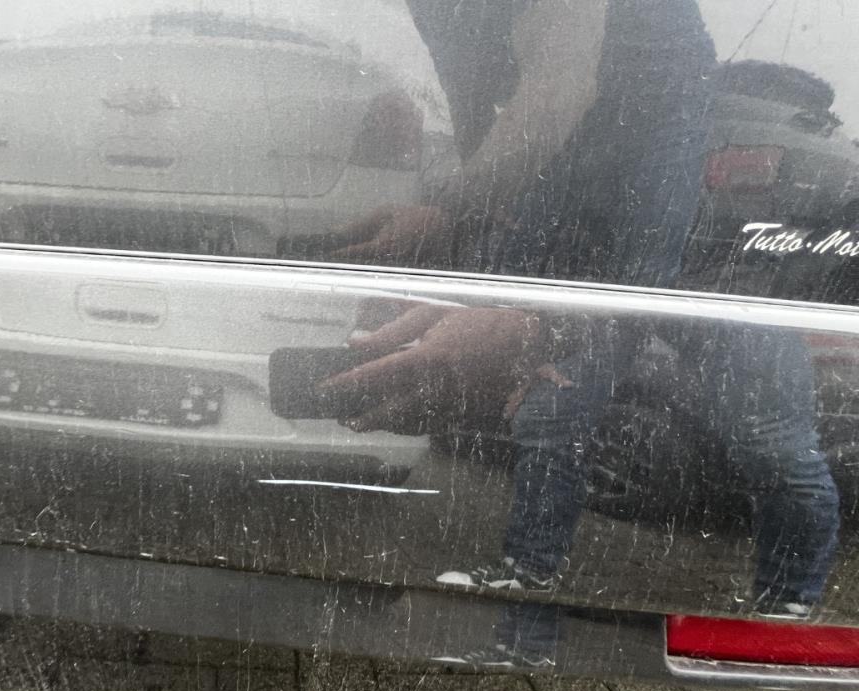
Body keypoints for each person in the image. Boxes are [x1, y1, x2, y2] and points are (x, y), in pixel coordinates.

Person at [321, 0, 840, 621]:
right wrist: (490, 275)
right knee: (553, 414)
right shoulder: (540, 104)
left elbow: (557, 109)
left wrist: (531, 318)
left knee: (774, 447)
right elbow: (487, 123)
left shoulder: (670, 96)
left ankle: (788, 606)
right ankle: (528, 577)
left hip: (713, 275)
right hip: (603, 248)